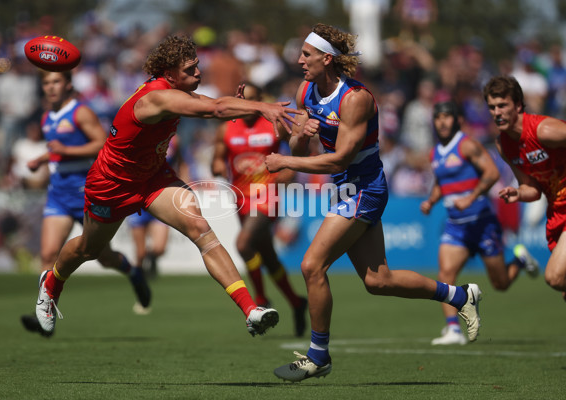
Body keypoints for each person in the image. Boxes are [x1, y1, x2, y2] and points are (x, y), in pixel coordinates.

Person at [33, 35, 302, 338]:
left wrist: (247, 105)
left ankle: (251, 310)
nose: (198, 73)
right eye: (190, 70)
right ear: (169, 74)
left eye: (197, 66)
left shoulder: (177, 90)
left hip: (153, 177)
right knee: (88, 249)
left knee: (200, 228)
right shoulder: (157, 98)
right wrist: (261, 106)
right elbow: (214, 111)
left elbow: (214, 104)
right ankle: (51, 285)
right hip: (113, 183)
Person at [264, 23, 482, 382]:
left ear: (327, 59)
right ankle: (460, 296)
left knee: (311, 266)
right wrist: (300, 137)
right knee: (378, 280)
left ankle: (318, 355)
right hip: (345, 188)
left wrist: (286, 162)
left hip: (364, 188)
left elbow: (339, 160)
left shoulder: (356, 99)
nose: (299, 60)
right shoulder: (307, 92)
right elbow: (300, 146)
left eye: (306, 54)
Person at [21, 70, 151, 336]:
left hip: (86, 193)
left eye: (56, 81)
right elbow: (58, 148)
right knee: (48, 255)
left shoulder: (81, 112)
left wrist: (64, 152)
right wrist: (42, 160)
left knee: (103, 258)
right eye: (46, 83)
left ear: (68, 84)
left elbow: (103, 144)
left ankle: (133, 272)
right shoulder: (47, 117)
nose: (51, 87)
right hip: (58, 193)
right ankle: (46, 314)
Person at [421, 100, 539, 345]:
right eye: (438, 117)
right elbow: (440, 184)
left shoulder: (467, 145)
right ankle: (453, 329)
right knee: (446, 275)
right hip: (456, 226)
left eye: (447, 116)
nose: (442, 121)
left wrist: (471, 197)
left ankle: (519, 260)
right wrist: (431, 201)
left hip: (482, 223)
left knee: (501, 283)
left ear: (458, 120)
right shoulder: (434, 153)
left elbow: (492, 174)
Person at [211, 82, 308, 337]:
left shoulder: (274, 125)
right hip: (241, 198)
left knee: (243, 245)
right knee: (267, 256)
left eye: (254, 100)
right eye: (245, 100)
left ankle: (261, 299)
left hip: (268, 196)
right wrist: (219, 166)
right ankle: (297, 303)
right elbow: (217, 160)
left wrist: (290, 170)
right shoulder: (226, 129)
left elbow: (300, 149)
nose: (249, 107)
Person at [484, 75, 566, 301]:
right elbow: (532, 189)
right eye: (492, 107)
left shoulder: (544, 130)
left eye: (502, 105)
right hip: (557, 213)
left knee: (555, 277)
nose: (496, 112)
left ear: (518, 106)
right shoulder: (504, 144)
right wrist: (519, 193)